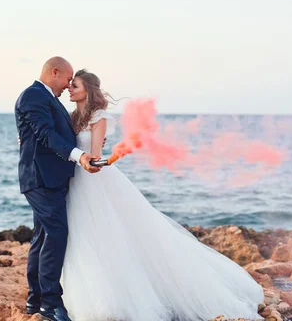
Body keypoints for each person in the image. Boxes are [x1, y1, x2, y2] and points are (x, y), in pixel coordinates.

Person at [60, 69, 265, 321]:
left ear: (88, 90)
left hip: (93, 179)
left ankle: (121, 296)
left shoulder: (99, 117)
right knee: (82, 235)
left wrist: (92, 161)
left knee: (107, 234)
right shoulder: (71, 116)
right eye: (69, 85)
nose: (70, 89)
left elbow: (94, 152)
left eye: (75, 85)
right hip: (75, 179)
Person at [14, 57, 100, 321]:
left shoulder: (47, 98)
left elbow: (52, 132)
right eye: (67, 79)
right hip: (40, 178)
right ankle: (50, 303)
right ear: (54, 72)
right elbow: (46, 134)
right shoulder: (33, 96)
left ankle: (35, 299)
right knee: (56, 233)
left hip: (52, 179)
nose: (67, 85)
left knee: (42, 238)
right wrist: (78, 155)